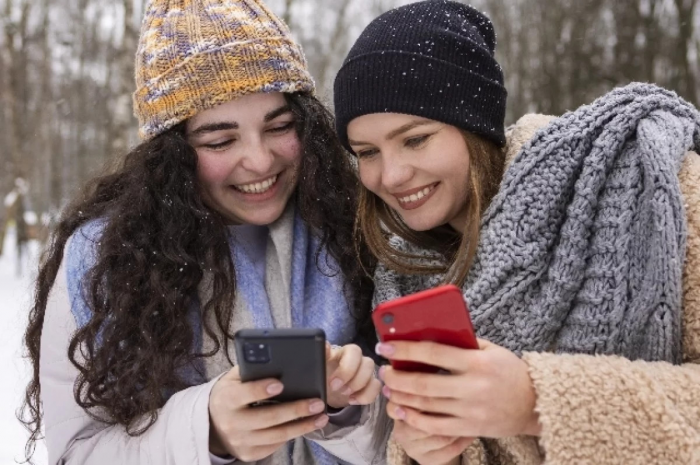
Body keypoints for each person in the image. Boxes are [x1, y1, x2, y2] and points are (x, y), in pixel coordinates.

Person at [333, 1, 700, 464]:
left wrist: (535, 401)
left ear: (474, 126)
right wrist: (427, 450)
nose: (391, 175)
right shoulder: (402, 279)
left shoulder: (652, 186)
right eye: (367, 152)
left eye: (416, 139)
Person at [20, 1, 386, 464]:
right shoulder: (100, 258)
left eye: (279, 126)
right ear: (169, 154)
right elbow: (77, 452)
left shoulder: (353, 229)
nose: (259, 160)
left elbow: (414, 437)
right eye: (220, 140)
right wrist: (207, 431)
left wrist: (346, 411)